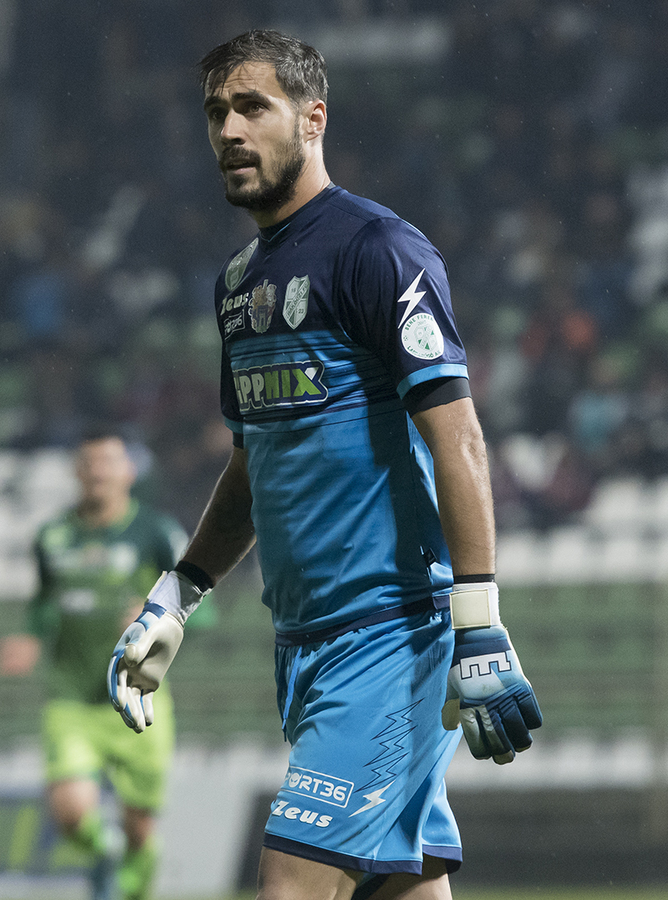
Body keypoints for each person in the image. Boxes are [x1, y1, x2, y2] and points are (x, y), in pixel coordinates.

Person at [106, 31, 542, 900]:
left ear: (313, 120)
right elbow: (253, 460)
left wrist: (479, 619)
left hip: (388, 634)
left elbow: (458, 436)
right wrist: (178, 592)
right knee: (395, 886)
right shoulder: (238, 283)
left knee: (292, 885)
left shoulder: (379, 250)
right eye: (216, 113)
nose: (229, 131)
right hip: (303, 644)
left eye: (252, 107)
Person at [0, 432, 190, 900]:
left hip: (138, 695)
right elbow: (44, 603)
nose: (99, 471)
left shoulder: (157, 533)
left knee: (140, 828)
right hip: (71, 698)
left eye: (109, 461)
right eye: (89, 462)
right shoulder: (52, 536)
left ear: (129, 471)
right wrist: (31, 637)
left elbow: (199, 610)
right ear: (76, 472)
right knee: (70, 813)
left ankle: (135, 866)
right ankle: (106, 853)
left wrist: (152, 617)